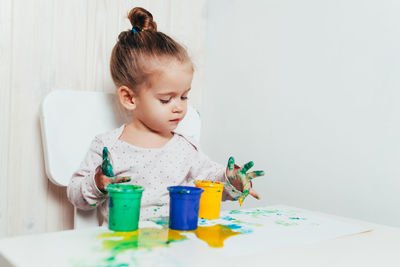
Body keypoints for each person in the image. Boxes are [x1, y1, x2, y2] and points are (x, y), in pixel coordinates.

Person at [67, 7, 264, 220]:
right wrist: (98, 183)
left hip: (176, 242)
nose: (178, 107)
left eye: (184, 96)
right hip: (125, 245)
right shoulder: (109, 148)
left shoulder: (184, 148)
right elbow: (76, 195)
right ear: (130, 98)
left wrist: (233, 180)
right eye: (165, 99)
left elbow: (213, 182)